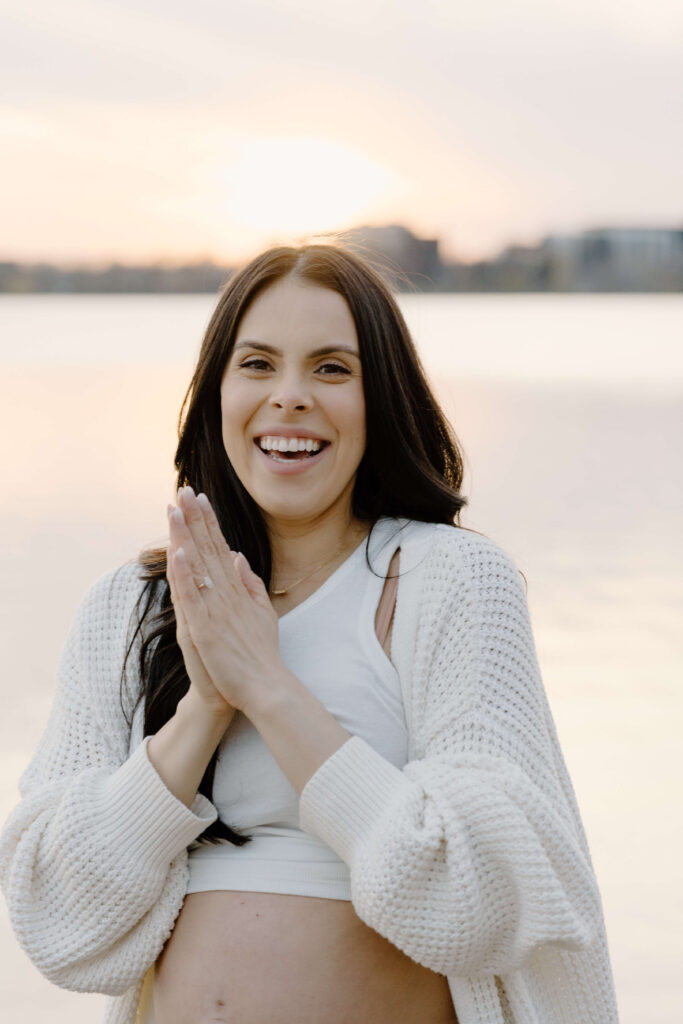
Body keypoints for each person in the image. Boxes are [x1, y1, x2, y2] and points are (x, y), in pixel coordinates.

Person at [0, 243, 619, 1024]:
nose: (289, 397)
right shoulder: (129, 607)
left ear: (381, 399)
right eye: (257, 364)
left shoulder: (450, 580)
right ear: (216, 393)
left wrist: (269, 687)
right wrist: (204, 707)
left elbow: (486, 897)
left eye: (331, 369)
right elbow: (59, 919)